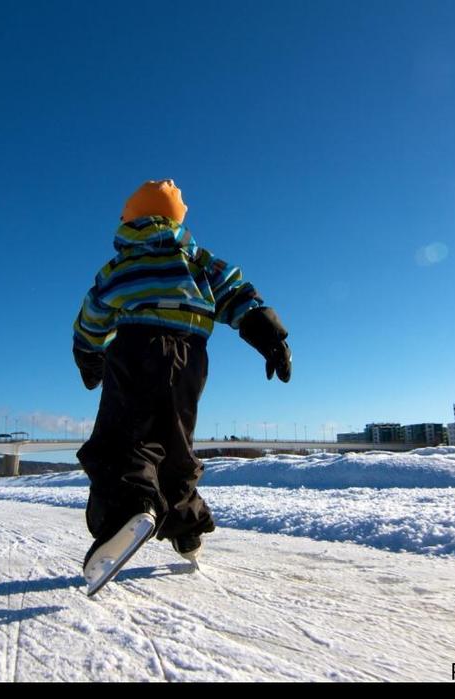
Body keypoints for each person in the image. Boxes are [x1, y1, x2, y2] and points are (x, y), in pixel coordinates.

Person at [72, 179, 291, 584]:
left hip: (134, 349)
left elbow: (92, 314)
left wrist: (88, 356)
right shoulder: (200, 262)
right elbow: (239, 295)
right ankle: (187, 530)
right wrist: (269, 335)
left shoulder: (118, 268)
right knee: (175, 442)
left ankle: (132, 508)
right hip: (190, 357)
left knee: (123, 436)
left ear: (129, 219)